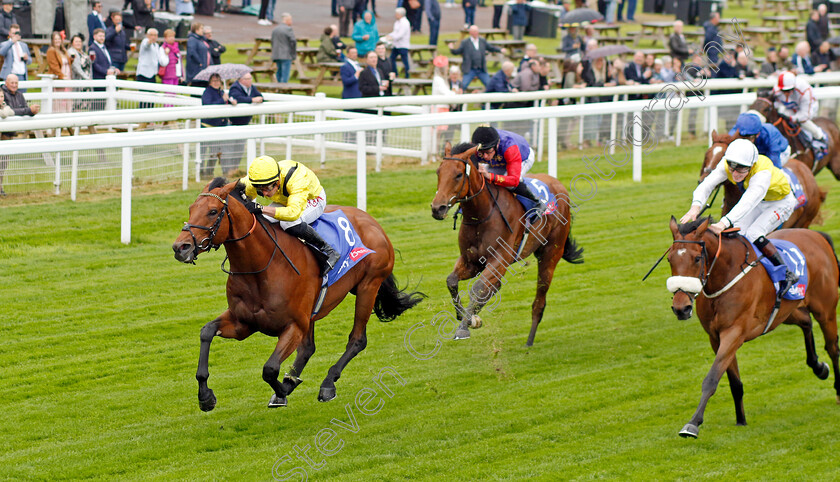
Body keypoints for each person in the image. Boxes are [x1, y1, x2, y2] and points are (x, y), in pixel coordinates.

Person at [680, 139, 798, 296]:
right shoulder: (729, 162)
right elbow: (707, 185)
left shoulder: (762, 173)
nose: (735, 173)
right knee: (739, 236)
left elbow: (747, 203)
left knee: (754, 234)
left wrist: (723, 223)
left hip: (781, 203)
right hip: (761, 201)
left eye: (741, 169)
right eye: (732, 167)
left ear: (752, 165)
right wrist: (695, 206)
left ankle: (787, 274)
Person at [241, 155, 340, 276]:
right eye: (260, 190)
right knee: (261, 221)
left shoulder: (297, 179)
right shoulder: (258, 179)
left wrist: (261, 208)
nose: (264, 193)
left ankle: (329, 251)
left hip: (312, 199)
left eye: (267, 188)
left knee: (287, 222)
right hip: (286, 200)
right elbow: (235, 188)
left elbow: (293, 213)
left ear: (277, 181)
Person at [471, 126, 547, 215]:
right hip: (499, 158)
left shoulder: (510, 147)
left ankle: (537, 202)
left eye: (488, 152)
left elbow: (513, 181)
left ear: (497, 145)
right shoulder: (476, 146)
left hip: (522, 158)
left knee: (508, 185)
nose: (485, 157)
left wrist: (489, 175)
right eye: (481, 152)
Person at [773, 71, 828, 159]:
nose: (785, 93)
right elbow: (777, 104)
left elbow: (805, 115)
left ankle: (819, 136)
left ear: (794, 87)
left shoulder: (805, 90)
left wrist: (792, 118)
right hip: (791, 107)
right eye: (783, 91)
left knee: (803, 122)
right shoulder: (776, 90)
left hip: (808, 108)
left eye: (788, 90)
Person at [0, 73, 40, 195]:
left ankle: (0, 188)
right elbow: (12, 111)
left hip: (9, 133)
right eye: (12, 83)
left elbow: (21, 110)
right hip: (4, 132)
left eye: (16, 83)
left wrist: (30, 111)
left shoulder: (19, 95)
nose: (14, 85)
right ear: (6, 83)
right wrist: (28, 111)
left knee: (3, 163)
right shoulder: (4, 93)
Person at [200, 73, 236, 178]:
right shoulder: (207, 92)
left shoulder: (221, 92)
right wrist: (223, 100)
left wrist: (231, 101)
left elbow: (225, 104)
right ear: (210, 82)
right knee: (204, 152)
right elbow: (209, 106)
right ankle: (202, 172)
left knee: (215, 152)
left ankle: (209, 172)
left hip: (219, 126)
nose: (216, 83)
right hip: (208, 126)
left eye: (218, 81)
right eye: (214, 81)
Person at [448, 25, 505, 90]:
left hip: (481, 69)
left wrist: (500, 50)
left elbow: (490, 48)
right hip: (470, 69)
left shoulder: (482, 41)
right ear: (470, 33)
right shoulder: (465, 42)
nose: (475, 33)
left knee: (489, 84)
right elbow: (457, 52)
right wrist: (452, 49)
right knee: (463, 85)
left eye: (476, 31)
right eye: (473, 31)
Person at [228, 72, 263, 176]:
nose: (249, 81)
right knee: (232, 148)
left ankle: (235, 169)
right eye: (247, 79)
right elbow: (238, 98)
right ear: (241, 80)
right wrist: (252, 100)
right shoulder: (235, 88)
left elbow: (260, 96)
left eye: (250, 78)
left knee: (240, 148)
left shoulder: (251, 88)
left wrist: (259, 99)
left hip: (244, 122)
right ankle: (230, 170)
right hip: (235, 122)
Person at [46, 31, 71, 112]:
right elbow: (54, 66)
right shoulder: (51, 50)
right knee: (59, 99)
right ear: (52, 41)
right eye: (55, 39)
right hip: (60, 77)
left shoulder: (63, 50)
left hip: (67, 75)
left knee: (67, 97)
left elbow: (66, 63)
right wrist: (62, 76)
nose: (57, 41)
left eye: (59, 39)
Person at [271, 13, 296, 83]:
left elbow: (272, 42)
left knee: (279, 73)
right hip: (286, 55)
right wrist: (293, 55)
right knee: (285, 75)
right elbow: (293, 42)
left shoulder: (275, 29)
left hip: (276, 54)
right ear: (287, 20)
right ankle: (283, 90)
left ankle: (278, 89)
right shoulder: (288, 29)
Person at [386, 7, 410, 79]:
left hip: (403, 45)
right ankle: (395, 73)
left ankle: (407, 74)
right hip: (396, 45)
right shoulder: (397, 22)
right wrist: (389, 35)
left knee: (404, 60)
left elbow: (400, 34)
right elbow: (395, 32)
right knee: (391, 59)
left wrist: (392, 37)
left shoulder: (405, 22)